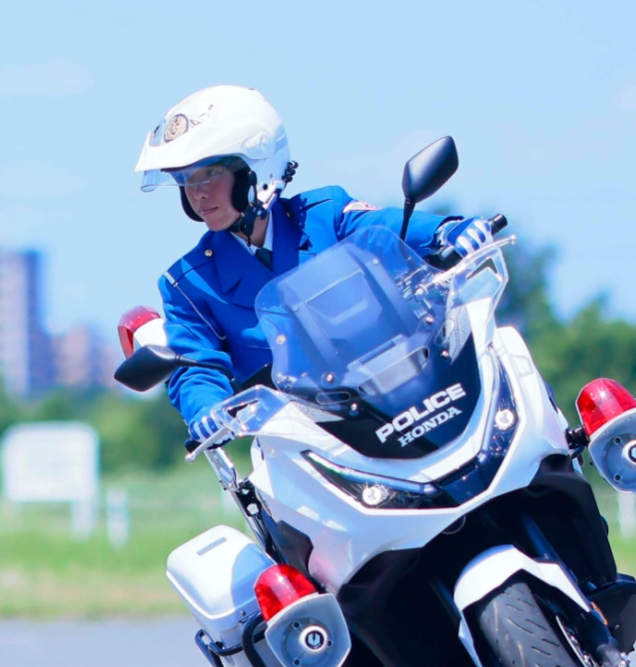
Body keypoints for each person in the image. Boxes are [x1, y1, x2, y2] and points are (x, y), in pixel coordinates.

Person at [136, 85, 495, 441]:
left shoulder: (326, 215)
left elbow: (384, 227)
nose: (197, 193)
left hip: (403, 398)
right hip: (301, 440)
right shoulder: (187, 283)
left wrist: (446, 230)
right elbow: (196, 365)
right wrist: (207, 409)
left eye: (209, 173)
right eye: (185, 180)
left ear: (256, 169)